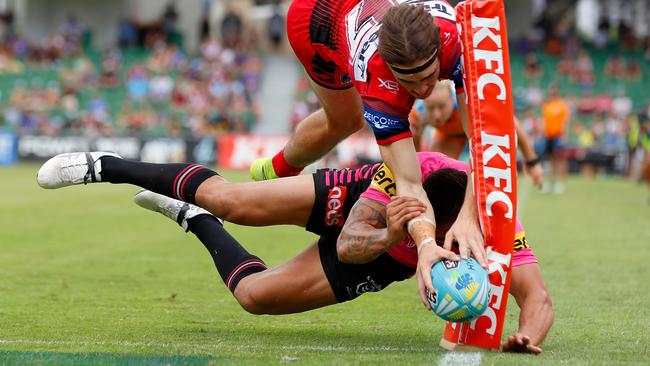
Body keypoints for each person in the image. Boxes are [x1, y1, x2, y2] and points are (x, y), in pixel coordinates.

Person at [37, 151, 553, 353]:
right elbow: (352, 244)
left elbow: (538, 298)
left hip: (381, 258)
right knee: (232, 199)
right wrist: (402, 239)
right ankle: (103, 164)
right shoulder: (410, 176)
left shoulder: (501, 224)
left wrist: (527, 335)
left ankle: (192, 220)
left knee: (255, 297)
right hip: (362, 214)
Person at [249, 1, 487, 294]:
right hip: (316, 19)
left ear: (439, 50)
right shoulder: (374, 78)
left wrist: (467, 216)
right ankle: (277, 171)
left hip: (371, 17)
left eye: (428, 78)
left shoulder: (460, 40)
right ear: (390, 69)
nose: (422, 91)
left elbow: (481, 138)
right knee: (345, 121)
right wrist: (426, 243)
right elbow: (409, 182)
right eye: (407, 81)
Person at [409, 81, 545, 189]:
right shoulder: (418, 115)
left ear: (452, 99)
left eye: (442, 107)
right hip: (449, 136)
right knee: (435, 177)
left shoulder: (470, 105)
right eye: (431, 108)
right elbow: (416, 152)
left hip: (480, 132)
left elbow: (511, 122)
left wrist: (532, 161)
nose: (436, 114)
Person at [541, 84, 570, 194]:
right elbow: (545, 121)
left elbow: (565, 121)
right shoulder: (547, 105)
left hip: (558, 136)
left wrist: (564, 135)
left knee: (559, 160)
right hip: (548, 136)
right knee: (550, 160)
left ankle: (559, 183)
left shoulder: (561, 105)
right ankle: (550, 183)